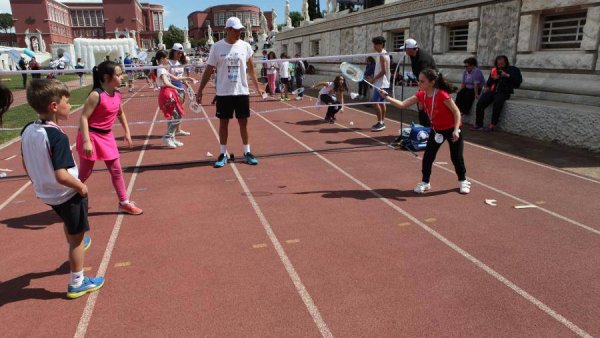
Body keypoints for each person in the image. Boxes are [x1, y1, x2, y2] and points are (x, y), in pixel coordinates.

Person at [18, 79, 105, 299]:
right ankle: (77, 282)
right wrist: (81, 187)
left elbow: (26, 161)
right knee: (77, 240)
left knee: (71, 226)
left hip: (47, 194)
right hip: (66, 193)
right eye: (67, 101)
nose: (71, 104)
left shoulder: (28, 129)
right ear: (54, 106)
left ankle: (74, 241)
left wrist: (38, 181)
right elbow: (62, 174)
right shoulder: (56, 137)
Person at [380, 69, 471, 194]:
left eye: (422, 81)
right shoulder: (421, 95)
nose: (419, 83)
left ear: (432, 83)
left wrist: (456, 130)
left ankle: (463, 180)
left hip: (452, 129)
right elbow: (402, 104)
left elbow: (456, 112)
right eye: (418, 80)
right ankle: (425, 182)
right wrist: (386, 97)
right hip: (436, 130)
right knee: (428, 157)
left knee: (456, 157)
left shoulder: (442, 95)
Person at [76, 61, 143, 215]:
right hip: (91, 136)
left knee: (116, 170)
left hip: (107, 136)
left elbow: (120, 113)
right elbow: (84, 118)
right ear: (106, 77)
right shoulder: (95, 95)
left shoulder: (118, 94)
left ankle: (124, 202)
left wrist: (127, 131)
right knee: (85, 172)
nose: (122, 77)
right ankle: (68, 197)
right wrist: (86, 141)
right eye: (118, 75)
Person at [197, 16, 264, 168]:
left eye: (240, 30)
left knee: (243, 122)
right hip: (223, 93)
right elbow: (208, 70)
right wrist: (200, 90)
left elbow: (252, 69)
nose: (239, 32)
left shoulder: (246, 46)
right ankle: (222, 153)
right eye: (235, 30)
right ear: (227, 30)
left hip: (241, 91)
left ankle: (247, 152)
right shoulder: (217, 47)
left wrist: (258, 86)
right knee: (223, 124)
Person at [473, 55, 522, 131]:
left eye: (502, 64)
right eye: (498, 64)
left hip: (504, 92)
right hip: (493, 91)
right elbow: (488, 83)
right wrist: (493, 78)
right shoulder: (494, 70)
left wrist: (506, 75)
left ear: (506, 62)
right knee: (480, 103)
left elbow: (518, 82)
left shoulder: (512, 70)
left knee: (497, 103)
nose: (500, 66)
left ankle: (492, 125)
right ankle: (479, 124)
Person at [155, 50, 194, 149]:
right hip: (166, 94)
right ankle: (167, 137)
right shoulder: (160, 69)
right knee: (176, 116)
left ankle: (171, 138)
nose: (168, 60)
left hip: (170, 93)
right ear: (161, 59)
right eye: (166, 58)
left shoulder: (164, 69)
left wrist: (187, 79)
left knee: (176, 115)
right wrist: (178, 88)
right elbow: (166, 83)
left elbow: (175, 78)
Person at [404, 38, 437, 127]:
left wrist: (422, 92)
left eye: (405, 49)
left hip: (430, 84)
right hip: (424, 83)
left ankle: (427, 128)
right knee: (421, 106)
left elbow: (426, 79)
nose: (404, 51)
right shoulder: (413, 55)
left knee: (424, 106)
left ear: (410, 49)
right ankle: (425, 127)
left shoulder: (423, 60)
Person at [168, 43, 192, 136]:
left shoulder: (180, 63)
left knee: (180, 110)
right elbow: (169, 77)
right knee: (173, 111)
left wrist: (186, 84)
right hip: (172, 89)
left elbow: (181, 76)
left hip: (180, 89)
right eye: (178, 53)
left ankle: (178, 130)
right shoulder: (168, 62)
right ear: (173, 52)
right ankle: (171, 132)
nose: (180, 55)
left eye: (181, 53)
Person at [369, 36, 391, 132]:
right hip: (383, 83)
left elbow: (383, 71)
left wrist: (373, 79)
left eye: (375, 44)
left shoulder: (382, 55)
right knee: (382, 103)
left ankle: (380, 122)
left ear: (381, 44)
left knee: (375, 102)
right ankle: (382, 122)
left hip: (381, 84)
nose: (374, 46)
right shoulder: (384, 54)